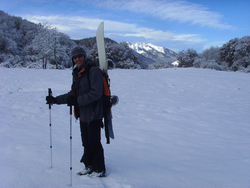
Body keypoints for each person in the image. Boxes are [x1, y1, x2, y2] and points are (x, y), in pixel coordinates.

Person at [46, 46, 106, 177]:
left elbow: (96, 93)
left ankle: (99, 169)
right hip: (83, 114)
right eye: (75, 57)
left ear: (84, 56)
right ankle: (89, 165)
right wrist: (55, 100)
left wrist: (78, 101)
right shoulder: (76, 73)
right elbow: (73, 94)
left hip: (94, 113)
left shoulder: (93, 70)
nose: (77, 59)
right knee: (86, 141)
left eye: (79, 56)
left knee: (94, 142)